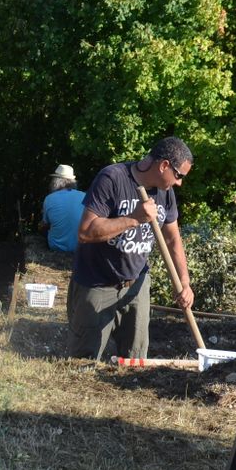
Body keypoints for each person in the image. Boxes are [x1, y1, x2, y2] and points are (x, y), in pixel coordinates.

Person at [67, 137, 195, 362]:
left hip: (136, 284)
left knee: (135, 362)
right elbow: (86, 232)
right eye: (179, 176)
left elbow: (173, 239)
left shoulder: (165, 192)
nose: (179, 183)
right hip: (97, 284)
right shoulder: (112, 178)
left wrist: (185, 282)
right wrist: (133, 218)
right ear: (164, 165)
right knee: (83, 362)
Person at [40, 164, 85, 252]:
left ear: (55, 181)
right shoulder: (84, 196)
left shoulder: (50, 198)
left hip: (56, 246)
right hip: (79, 247)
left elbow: (45, 224)